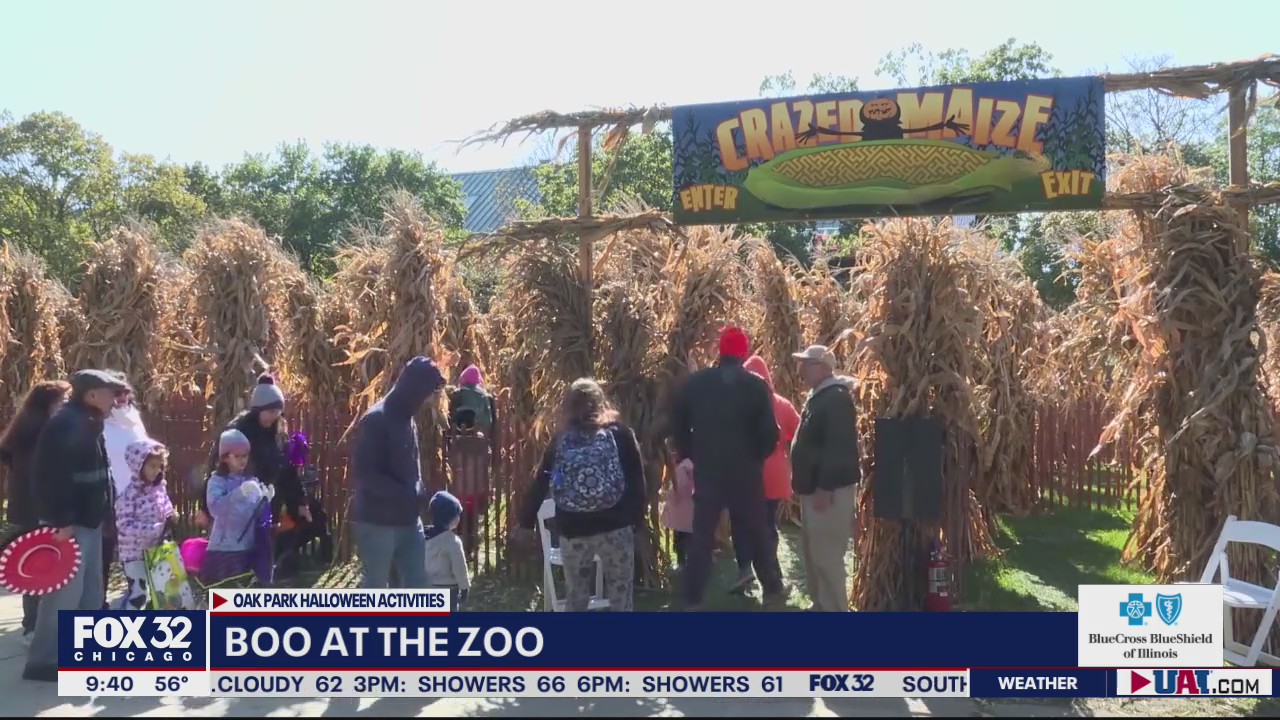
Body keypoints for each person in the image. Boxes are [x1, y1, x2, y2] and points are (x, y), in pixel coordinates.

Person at [669, 326, 787, 610]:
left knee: (702, 535)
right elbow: (771, 433)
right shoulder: (756, 385)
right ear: (743, 351)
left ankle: (692, 597)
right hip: (745, 472)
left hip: (709, 469)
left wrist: (691, 453)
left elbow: (679, 425)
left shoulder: (696, 384)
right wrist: (756, 458)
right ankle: (771, 588)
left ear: (720, 351)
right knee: (756, 531)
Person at [23, 369, 130, 682]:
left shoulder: (87, 422)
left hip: (89, 520)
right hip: (71, 524)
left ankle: (83, 654)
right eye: (110, 392)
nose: (116, 399)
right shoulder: (66, 424)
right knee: (63, 594)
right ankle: (45, 661)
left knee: (89, 591)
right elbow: (49, 478)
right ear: (92, 395)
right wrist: (62, 521)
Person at [520, 378, 646, 612]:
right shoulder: (621, 435)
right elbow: (637, 482)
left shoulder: (560, 441)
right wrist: (636, 523)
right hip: (615, 528)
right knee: (621, 597)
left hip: (574, 529)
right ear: (601, 402)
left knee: (576, 597)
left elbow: (541, 481)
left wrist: (525, 523)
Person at [350, 356, 445, 589]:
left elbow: (411, 466)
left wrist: (419, 490)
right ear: (415, 388)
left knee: (418, 584)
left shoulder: (407, 420)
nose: (429, 399)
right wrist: (404, 493)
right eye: (427, 392)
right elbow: (366, 474)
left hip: (409, 521)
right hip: (377, 522)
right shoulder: (376, 420)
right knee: (376, 588)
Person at [199, 375, 307, 559]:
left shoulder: (278, 434)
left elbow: (287, 468)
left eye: (277, 411)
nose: (274, 416)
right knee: (237, 549)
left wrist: (300, 501)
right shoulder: (238, 431)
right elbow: (215, 465)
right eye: (270, 411)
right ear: (258, 409)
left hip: (267, 501)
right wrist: (204, 506)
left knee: (262, 550)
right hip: (238, 501)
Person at [789, 344, 860, 612]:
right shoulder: (821, 396)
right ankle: (821, 604)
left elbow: (838, 447)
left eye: (806, 364)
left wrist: (824, 487)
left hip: (828, 491)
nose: (801, 369)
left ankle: (836, 609)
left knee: (827, 555)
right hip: (816, 488)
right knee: (814, 552)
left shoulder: (836, 399)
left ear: (822, 367)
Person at [0, 380, 71, 646]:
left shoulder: (26, 431)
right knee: (38, 569)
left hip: (30, 510)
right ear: (47, 404)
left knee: (39, 568)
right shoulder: (40, 434)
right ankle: (32, 627)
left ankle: (35, 626)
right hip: (38, 512)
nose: (66, 406)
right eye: (62, 401)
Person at [728, 355, 802, 594]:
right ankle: (774, 577)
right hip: (777, 474)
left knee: (740, 523)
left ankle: (746, 569)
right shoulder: (782, 403)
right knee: (768, 525)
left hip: (747, 473)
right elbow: (798, 431)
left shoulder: (738, 406)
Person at [202, 429, 274, 586]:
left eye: (245, 456)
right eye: (237, 456)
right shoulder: (217, 481)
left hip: (247, 547)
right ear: (225, 457)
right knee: (221, 597)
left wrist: (265, 500)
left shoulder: (251, 480)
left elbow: (255, 516)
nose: (242, 460)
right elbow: (215, 508)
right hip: (224, 549)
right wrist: (239, 493)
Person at [101, 372, 146, 608]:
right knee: (104, 554)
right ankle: (98, 602)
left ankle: (136, 595)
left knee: (135, 554)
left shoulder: (134, 417)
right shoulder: (99, 423)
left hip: (139, 499)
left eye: (125, 392)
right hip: (110, 499)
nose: (121, 398)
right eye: (115, 393)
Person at [115, 439, 177, 609]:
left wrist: (171, 515)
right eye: (152, 466)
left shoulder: (159, 490)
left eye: (159, 466)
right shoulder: (129, 496)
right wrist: (153, 530)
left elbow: (166, 507)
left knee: (163, 590)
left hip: (157, 550)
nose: (156, 471)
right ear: (138, 466)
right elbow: (125, 526)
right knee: (139, 593)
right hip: (134, 554)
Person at [423, 491, 470, 610]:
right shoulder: (453, 542)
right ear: (451, 519)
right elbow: (459, 567)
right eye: (457, 515)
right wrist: (464, 587)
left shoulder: (422, 538)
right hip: (448, 589)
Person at [448, 365, 496, 437]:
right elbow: (491, 422)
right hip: (482, 435)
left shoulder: (457, 394)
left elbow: (451, 416)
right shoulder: (487, 397)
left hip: (458, 434)